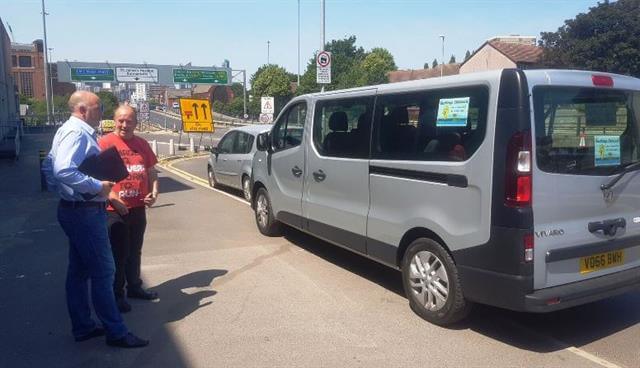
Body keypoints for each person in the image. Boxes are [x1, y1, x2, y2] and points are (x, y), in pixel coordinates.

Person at [43, 91, 148, 348]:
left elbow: (48, 166)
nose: (102, 112)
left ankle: (83, 326)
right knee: (104, 271)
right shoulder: (76, 133)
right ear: (82, 109)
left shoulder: (70, 130)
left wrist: (65, 190)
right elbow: (61, 169)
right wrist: (96, 186)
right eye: (98, 107)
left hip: (76, 208)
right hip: (85, 211)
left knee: (79, 272)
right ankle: (117, 332)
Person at [99, 105, 159, 313]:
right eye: (121, 120)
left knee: (135, 250)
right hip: (113, 210)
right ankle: (117, 295)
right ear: (114, 121)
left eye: (129, 121)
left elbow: (151, 171)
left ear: (136, 122)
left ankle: (134, 287)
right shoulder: (104, 143)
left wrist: (154, 192)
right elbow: (98, 177)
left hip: (137, 207)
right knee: (118, 253)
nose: (125, 124)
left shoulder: (142, 144)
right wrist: (114, 198)